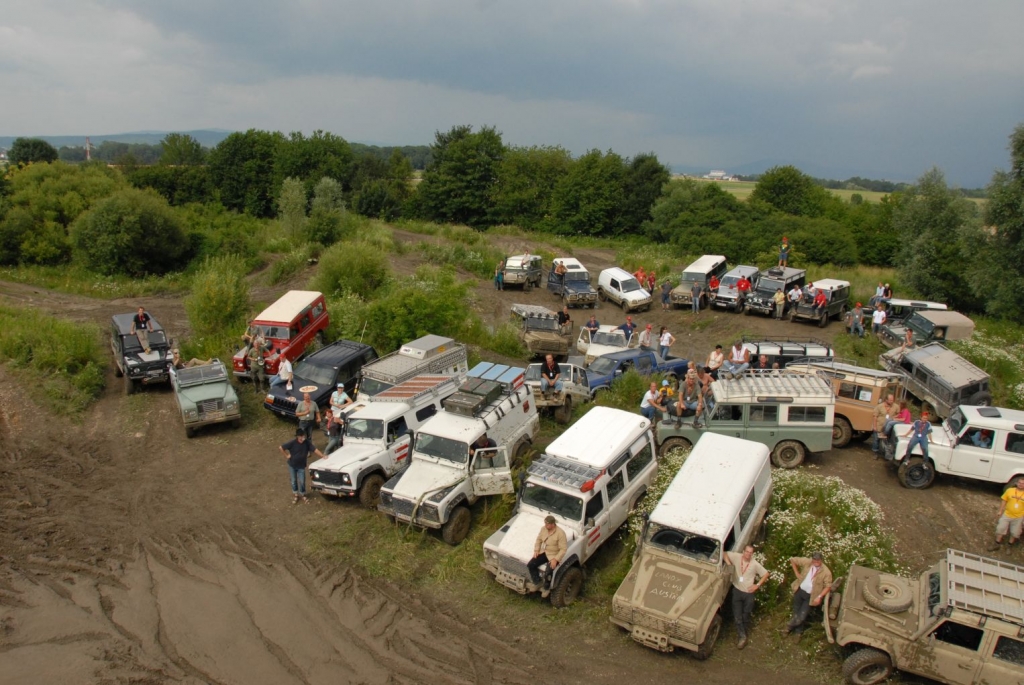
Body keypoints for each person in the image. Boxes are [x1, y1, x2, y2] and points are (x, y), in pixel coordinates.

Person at [724, 545, 769, 649]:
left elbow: (766, 574)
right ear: (743, 551)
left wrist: (757, 586)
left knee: (746, 614)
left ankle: (744, 631)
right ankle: (742, 636)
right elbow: (724, 553)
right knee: (737, 616)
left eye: (750, 552)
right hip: (737, 591)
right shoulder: (737, 557)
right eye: (747, 552)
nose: (748, 554)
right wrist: (729, 564)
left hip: (748, 593)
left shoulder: (754, 564)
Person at [785, 552, 833, 635]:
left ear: (821, 560)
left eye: (818, 560)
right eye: (814, 559)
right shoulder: (808, 562)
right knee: (796, 612)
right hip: (799, 591)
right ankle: (798, 632)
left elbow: (828, 586)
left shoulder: (826, 572)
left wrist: (819, 597)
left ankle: (788, 626)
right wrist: (797, 573)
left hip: (811, 596)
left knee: (802, 616)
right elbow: (793, 560)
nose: (816, 561)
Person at [279, 428, 325, 504]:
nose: (303, 437)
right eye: (301, 436)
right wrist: (287, 456)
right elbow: (281, 447)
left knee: (302, 481)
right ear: (298, 436)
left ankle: (303, 494)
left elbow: (315, 449)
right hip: (292, 465)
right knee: (293, 481)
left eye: (303, 435)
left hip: (301, 466)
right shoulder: (292, 443)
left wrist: (322, 456)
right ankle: (296, 494)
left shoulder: (307, 443)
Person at [527, 515, 567, 596]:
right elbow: (539, 539)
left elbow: (563, 549)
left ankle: (546, 588)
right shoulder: (543, 529)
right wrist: (537, 549)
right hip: (544, 551)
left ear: (553, 524)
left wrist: (556, 559)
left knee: (548, 571)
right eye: (545, 523)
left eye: (548, 524)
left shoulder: (560, 533)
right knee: (531, 564)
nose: (546, 525)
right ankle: (537, 582)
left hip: (554, 554)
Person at [991, 476, 1024, 551]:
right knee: (1000, 529)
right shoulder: (1010, 490)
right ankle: (997, 544)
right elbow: (1004, 500)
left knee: (1015, 533)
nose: (1021, 484)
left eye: (1023, 483)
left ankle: (1009, 545)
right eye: (1019, 483)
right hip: (1007, 514)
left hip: (1019, 517)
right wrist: (1000, 511)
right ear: (1017, 483)